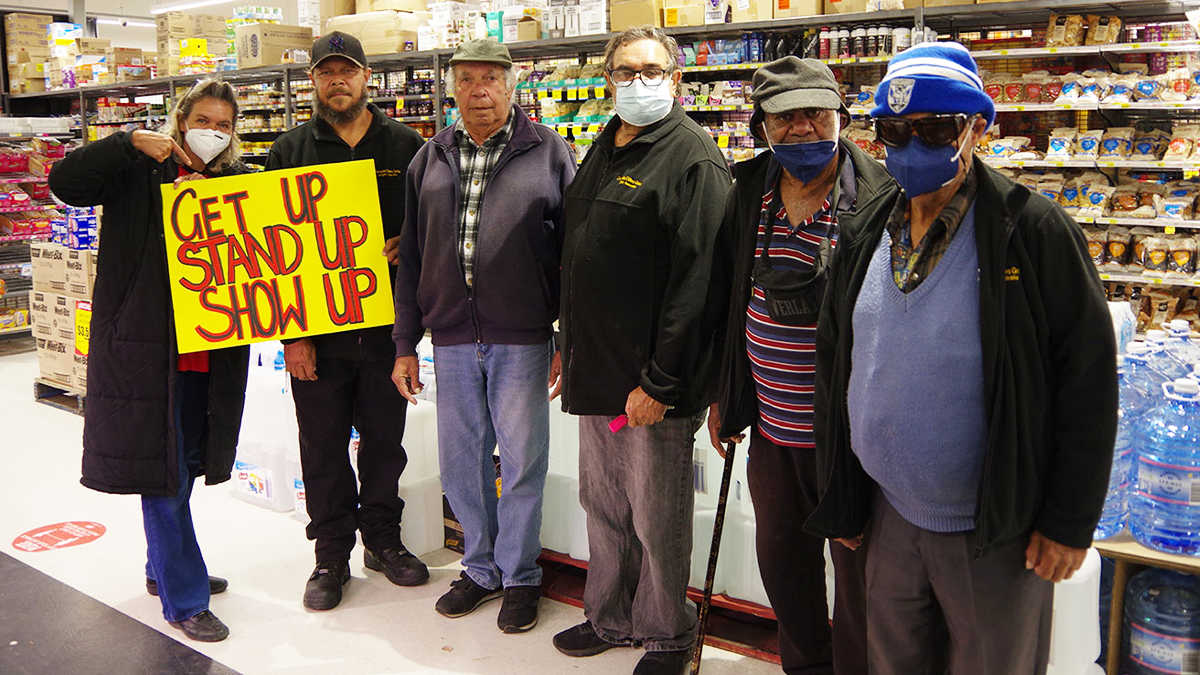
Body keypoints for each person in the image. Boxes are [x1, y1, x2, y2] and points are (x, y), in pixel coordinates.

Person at [805, 42, 1118, 675]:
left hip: (993, 527)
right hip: (887, 511)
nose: (911, 145)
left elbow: (1086, 384)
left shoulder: (1031, 231)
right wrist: (842, 491)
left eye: (935, 129)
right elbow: (838, 361)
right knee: (892, 660)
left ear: (977, 128)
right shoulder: (869, 225)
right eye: (895, 130)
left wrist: (1069, 521)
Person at [553, 26, 731, 675]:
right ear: (608, 79)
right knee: (604, 505)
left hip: (653, 384)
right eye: (626, 71)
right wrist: (563, 342)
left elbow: (700, 282)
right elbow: (582, 248)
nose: (639, 82)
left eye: (652, 71)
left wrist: (660, 380)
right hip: (597, 369)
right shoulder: (605, 142)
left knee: (657, 514)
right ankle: (609, 613)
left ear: (677, 81)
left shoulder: (694, 158)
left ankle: (667, 631)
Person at [49, 79, 252, 642]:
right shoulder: (135, 171)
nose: (212, 131)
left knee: (180, 465)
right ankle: (184, 597)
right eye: (203, 119)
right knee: (163, 473)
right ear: (179, 118)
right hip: (146, 351)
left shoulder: (232, 184)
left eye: (224, 124)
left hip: (206, 352)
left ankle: (162, 569)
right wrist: (126, 142)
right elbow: (62, 182)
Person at [710, 57, 892, 675]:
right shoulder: (746, 188)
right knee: (784, 563)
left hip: (849, 433)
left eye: (815, 112)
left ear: (840, 115)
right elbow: (728, 294)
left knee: (860, 573)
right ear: (761, 124)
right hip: (770, 425)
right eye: (784, 116)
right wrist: (726, 394)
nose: (802, 128)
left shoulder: (879, 197)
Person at [391, 39, 576, 633]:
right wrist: (403, 343)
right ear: (453, 89)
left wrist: (566, 339)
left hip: (522, 338)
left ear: (512, 84)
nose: (479, 91)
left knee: (521, 461)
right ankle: (479, 568)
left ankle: (521, 575)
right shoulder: (430, 157)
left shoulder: (549, 152)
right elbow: (411, 258)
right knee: (460, 463)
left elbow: (575, 255)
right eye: (466, 79)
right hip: (449, 338)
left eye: (491, 79)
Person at [265, 31, 429, 612]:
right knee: (324, 446)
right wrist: (295, 335)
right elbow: (270, 255)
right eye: (327, 72)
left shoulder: (408, 144)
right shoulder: (289, 150)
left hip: (389, 332)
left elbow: (434, 225)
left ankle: (383, 540)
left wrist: (409, 240)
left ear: (366, 77)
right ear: (313, 81)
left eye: (348, 71)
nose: (338, 81)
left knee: (386, 443)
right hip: (319, 336)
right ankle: (330, 550)